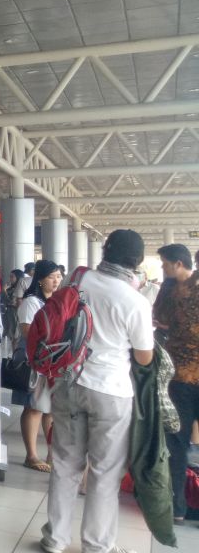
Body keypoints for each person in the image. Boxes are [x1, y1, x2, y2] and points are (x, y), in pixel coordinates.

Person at [42, 230, 154, 553]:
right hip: (112, 392)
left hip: (70, 382)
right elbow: (144, 356)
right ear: (138, 261)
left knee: (65, 464)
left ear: (105, 251)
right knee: (105, 472)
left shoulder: (78, 280)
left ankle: (55, 538)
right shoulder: (135, 301)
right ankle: (96, 545)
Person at [152, 267, 198, 524]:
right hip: (184, 376)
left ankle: (177, 507)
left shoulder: (179, 291)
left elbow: (160, 317)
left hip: (182, 377)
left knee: (177, 444)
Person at [13, 260, 60, 473]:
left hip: (53, 362)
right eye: (52, 277)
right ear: (40, 280)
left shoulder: (57, 302)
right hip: (35, 361)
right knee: (33, 407)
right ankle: (31, 454)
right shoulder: (31, 303)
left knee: (51, 409)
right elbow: (28, 332)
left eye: (59, 276)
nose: (57, 281)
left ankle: (52, 453)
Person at [154, 244, 193, 333]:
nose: (162, 267)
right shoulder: (167, 284)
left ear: (178, 264)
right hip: (163, 339)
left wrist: (168, 326)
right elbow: (158, 309)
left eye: (165, 263)